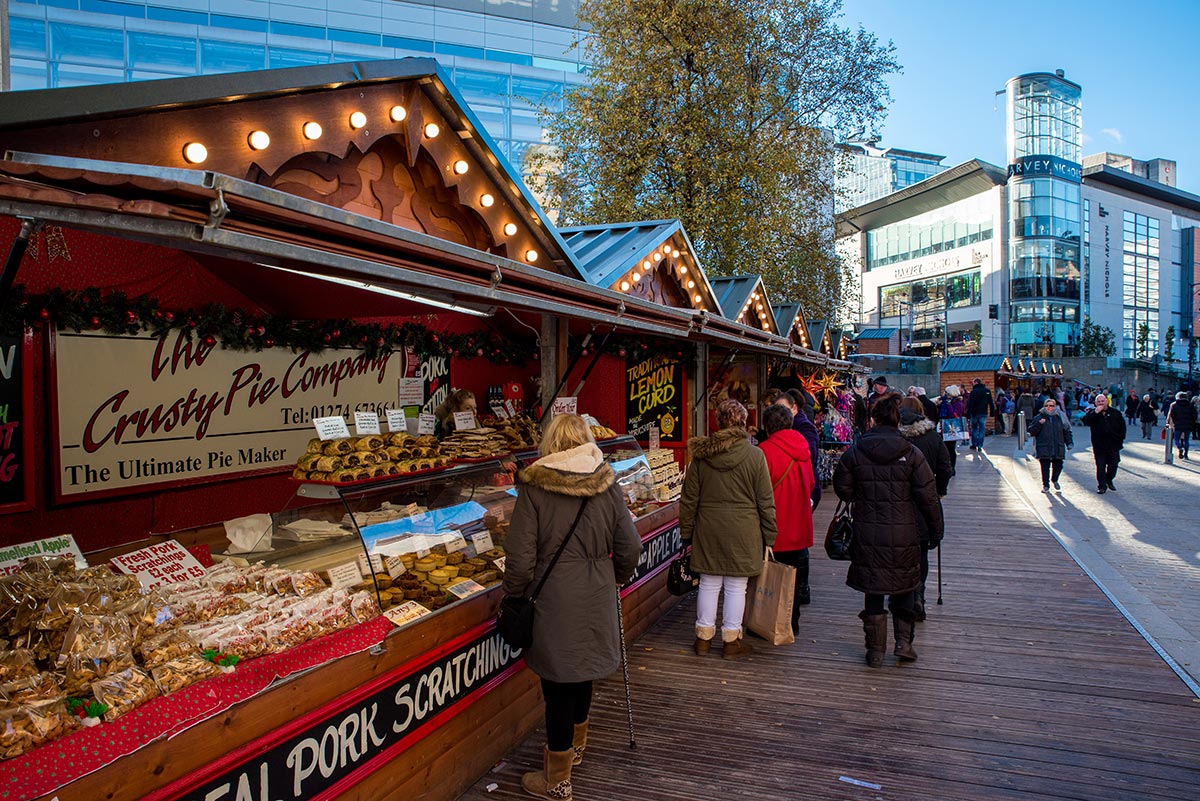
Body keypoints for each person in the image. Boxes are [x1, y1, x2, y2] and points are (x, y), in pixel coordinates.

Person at [503, 414, 642, 800]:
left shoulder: (533, 487)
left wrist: (514, 594)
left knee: (558, 687)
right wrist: (614, 576)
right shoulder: (606, 482)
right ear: (584, 440)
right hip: (596, 589)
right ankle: (576, 748)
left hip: (553, 598)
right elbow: (630, 546)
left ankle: (557, 779)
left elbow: (519, 558)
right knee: (582, 672)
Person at [833, 393, 943, 668]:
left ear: (872, 419)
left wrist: (864, 491)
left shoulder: (856, 452)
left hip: (868, 531)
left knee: (874, 589)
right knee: (905, 585)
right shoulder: (911, 453)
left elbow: (842, 488)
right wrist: (935, 530)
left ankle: (875, 651)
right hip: (905, 531)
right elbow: (928, 496)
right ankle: (904, 643)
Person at [680, 399, 777, 660]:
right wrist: (770, 535)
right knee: (737, 587)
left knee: (708, 584)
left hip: (708, 529)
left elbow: (689, 499)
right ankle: (731, 641)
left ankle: (703, 638)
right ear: (743, 423)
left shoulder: (701, 457)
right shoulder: (756, 456)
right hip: (744, 530)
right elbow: (765, 501)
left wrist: (686, 532)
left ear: (718, 422)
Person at [758, 404, 816, 630]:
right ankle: (792, 621)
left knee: (771, 578)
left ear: (767, 426)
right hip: (799, 524)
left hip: (775, 524)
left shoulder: (764, 451)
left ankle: (769, 620)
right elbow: (811, 483)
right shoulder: (803, 447)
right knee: (794, 579)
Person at [897, 397, 951, 621]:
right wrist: (939, 490)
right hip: (924, 501)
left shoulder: (894, 437)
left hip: (898, 501)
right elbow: (945, 467)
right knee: (920, 550)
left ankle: (902, 594)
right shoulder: (932, 437)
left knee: (899, 550)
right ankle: (918, 593)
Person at [774, 389, 822, 509]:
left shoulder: (803, 427)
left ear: (794, 408)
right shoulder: (788, 425)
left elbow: (810, 458)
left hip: (803, 485)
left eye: (782, 408)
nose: (778, 413)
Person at [1026, 397, 1073, 493]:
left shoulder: (1060, 417)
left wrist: (1069, 443)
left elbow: (1067, 431)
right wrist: (1039, 424)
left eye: (1051, 406)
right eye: (1046, 406)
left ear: (1055, 407)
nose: (1048, 407)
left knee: (1058, 465)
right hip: (1044, 445)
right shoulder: (1039, 417)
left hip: (1057, 445)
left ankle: (1055, 479)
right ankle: (1046, 485)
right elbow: (1031, 431)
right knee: (1045, 466)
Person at [1082, 394, 1126, 494]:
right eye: (1099, 402)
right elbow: (1086, 421)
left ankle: (1109, 480)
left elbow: (1122, 427)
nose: (1101, 403)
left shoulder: (1115, 413)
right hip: (1099, 446)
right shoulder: (1093, 413)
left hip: (1114, 445)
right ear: (1096, 403)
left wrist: (1120, 439)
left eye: (1103, 401)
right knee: (1100, 467)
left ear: (1107, 401)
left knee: (1113, 465)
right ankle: (1101, 486)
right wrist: (1095, 413)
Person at [937, 385, 964, 475]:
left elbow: (953, 415)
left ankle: (952, 468)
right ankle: (946, 466)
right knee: (944, 448)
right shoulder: (944, 401)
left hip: (952, 428)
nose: (945, 394)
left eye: (947, 393)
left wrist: (948, 405)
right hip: (944, 426)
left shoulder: (958, 403)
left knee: (951, 449)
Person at [966, 378, 996, 451]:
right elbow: (991, 403)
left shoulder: (973, 392)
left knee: (974, 429)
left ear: (976, 383)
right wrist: (992, 412)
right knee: (982, 429)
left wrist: (968, 414)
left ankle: (974, 444)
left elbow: (970, 404)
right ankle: (980, 445)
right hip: (983, 413)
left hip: (975, 413)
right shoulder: (987, 391)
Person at [1167, 391, 1196, 460]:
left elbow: (1172, 415)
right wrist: (1192, 422)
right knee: (1186, 440)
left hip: (1178, 424)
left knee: (1176, 439)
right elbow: (1194, 415)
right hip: (1188, 425)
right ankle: (1186, 454)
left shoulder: (1175, 405)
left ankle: (1180, 447)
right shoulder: (1190, 405)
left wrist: (1174, 422)